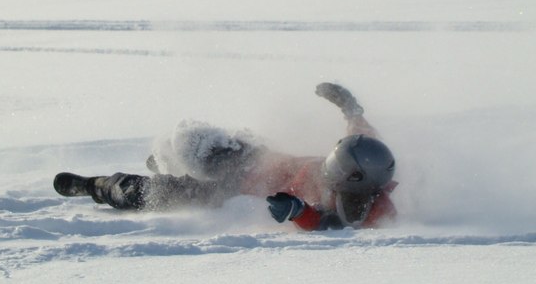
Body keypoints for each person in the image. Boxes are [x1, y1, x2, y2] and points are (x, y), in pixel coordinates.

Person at [53, 83, 397, 230]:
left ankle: (95, 186)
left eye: (338, 167)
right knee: (195, 142)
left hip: (236, 192)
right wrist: (348, 105)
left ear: (353, 181)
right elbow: (359, 127)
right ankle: (170, 160)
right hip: (260, 160)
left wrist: (296, 211)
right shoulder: (366, 153)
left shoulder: (361, 207)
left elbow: (328, 226)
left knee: (151, 194)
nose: (330, 164)